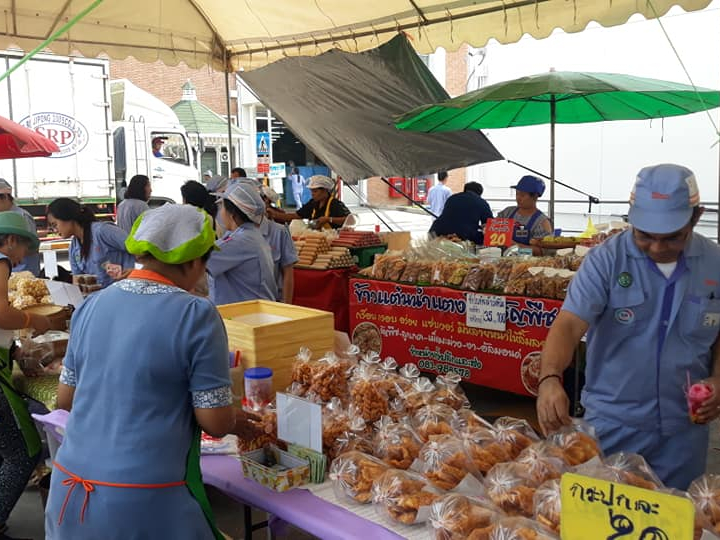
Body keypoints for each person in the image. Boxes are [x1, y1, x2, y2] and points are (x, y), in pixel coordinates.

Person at [45, 204, 262, 540]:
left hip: (71, 489)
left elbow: (65, 399)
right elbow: (215, 423)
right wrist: (235, 418)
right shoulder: (196, 313)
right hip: (143, 497)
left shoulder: (90, 306)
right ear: (193, 261)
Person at [537, 164, 720, 490]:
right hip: (613, 429)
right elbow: (568, 324)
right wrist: (550, 377)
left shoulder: (714, 263)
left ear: (696, 216)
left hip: (684, 434)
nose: (657, 248)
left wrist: (719, 380)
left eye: (672, 237)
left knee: (676, 525)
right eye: (645, 235)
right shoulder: (606, 261)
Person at [0, 212, 52, 540]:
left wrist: (14, 348)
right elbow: (1, 313)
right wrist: (35, 320)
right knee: (25, 450)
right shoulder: (1, 260)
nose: (22, 257)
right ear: (11, 241)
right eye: (23, 248)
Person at [206, 183, 276, 305]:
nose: (220, 212)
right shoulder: (248, 235)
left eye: (222, 207)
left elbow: (199, 261)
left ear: (232, 214)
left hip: (245, 315)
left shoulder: (241, 241)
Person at [47, 199, 136, 288]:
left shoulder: (103, 231)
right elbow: (77, 283)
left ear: (67, 217)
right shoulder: (73, 248)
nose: (55, 230)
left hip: (125, 290)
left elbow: (140, 250)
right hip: (98, 299)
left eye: (55, 225)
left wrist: (133, 272)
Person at [240, 180, 298, 303]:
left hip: (274, 302)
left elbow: (288, 272)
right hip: (247, 303)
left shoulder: (279, 232)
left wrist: (287, 306)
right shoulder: (236, 236)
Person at [268, 175, 350, 230]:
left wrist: (329, 219)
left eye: (315, 191)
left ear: (325, 190)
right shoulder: (313, 203)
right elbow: (296, 216)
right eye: (311, 191)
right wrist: (275, 214)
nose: (312, 194)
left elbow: (351, 220)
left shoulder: (335, 204)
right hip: (318, 240)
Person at [497, 175, 553, 251]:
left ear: (535, 197)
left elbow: (544, 251)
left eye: (522, 195)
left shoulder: (542, 222)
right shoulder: (507, 212)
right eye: (517, 194)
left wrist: (515, 246)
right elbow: (493, 231)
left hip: (526, 261)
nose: (518, 198)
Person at [429, 182, 493, 244]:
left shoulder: (452, 198)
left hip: (436, 232)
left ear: (464, 190)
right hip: (464, 234)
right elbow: (490, 225)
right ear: (480, 194)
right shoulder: (481, 202)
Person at [0, 179, 40, 276]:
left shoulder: (23, 217)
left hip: (24, 272)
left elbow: (32, 246)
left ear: (5, 197)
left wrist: (12, 252)